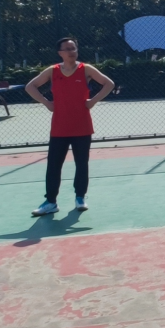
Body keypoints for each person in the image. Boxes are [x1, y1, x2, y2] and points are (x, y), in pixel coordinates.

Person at [25, 36, 115, 215]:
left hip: (82, 126)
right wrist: (46, 102)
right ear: (60, 53)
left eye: (73, 48)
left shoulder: (86, 69)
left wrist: (93, 101)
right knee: (54, 165)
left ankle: (80, 197)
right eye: (67, 49)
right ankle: (51, 202)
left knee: (81, 163)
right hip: (59, 127)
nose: (71, 52)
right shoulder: (52, 71)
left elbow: (109, 84)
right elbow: (30, 86)